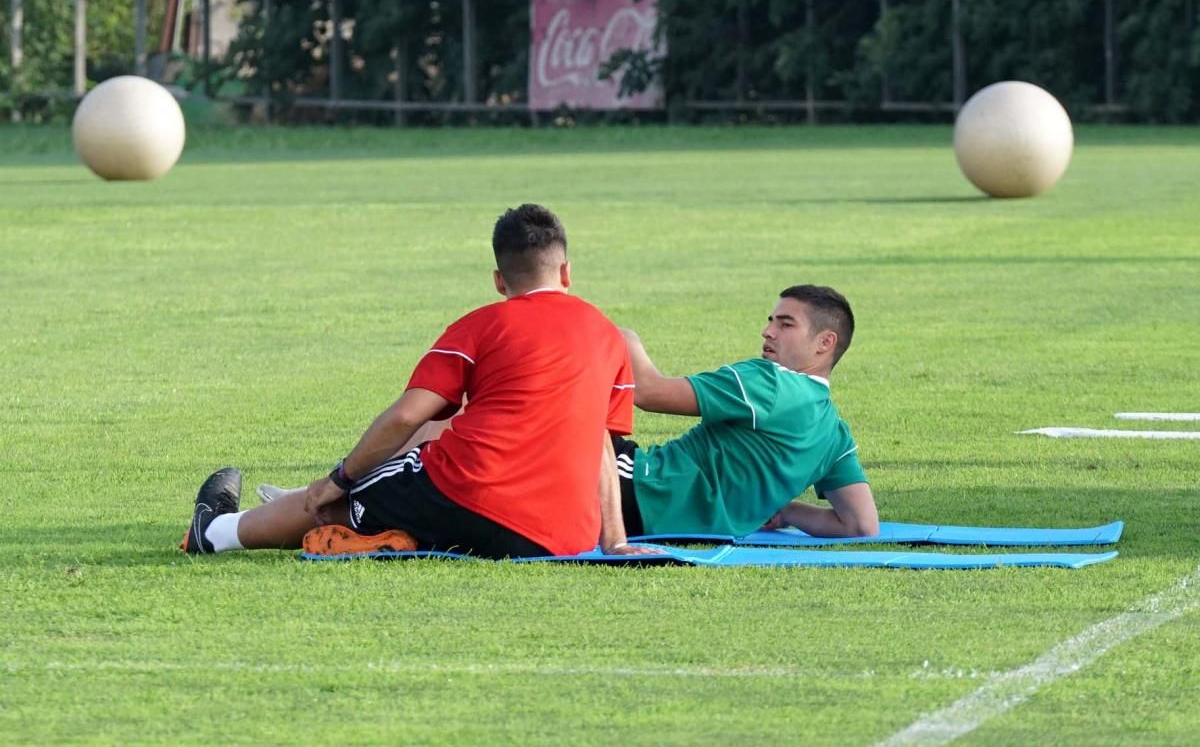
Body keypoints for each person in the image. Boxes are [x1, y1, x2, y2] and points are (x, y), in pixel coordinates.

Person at [180, 204, 654, 559]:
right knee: (408, 486)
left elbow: (407, 416)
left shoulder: (481, 325)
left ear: (498, 280)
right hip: (557, 538)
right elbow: (601, 445)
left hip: (471, 494)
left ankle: (215, 532)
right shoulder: (609, 336)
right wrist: (613, 541)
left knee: (359, 485)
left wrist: (338, 478)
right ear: (566, 272)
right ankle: (385, 536)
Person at [614, 285, 879, 539]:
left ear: (825, 342)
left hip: (637, 487)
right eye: (771, 321)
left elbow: (648, 392)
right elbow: (861, 525)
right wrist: (786, 511)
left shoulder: (771, 382)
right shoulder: (834, 435)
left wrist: (619, 336)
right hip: (658, 516)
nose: (768, 332)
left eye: (786, 324)